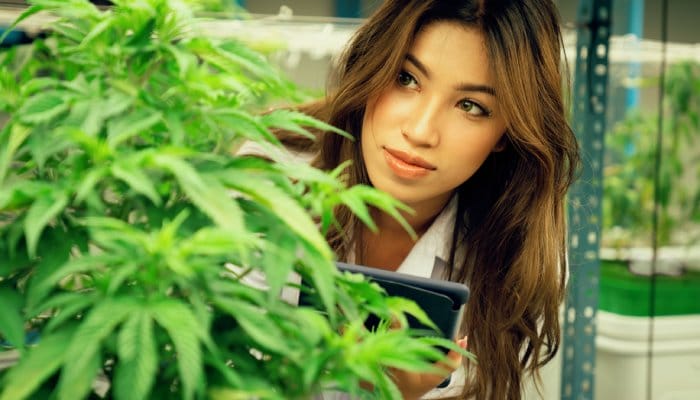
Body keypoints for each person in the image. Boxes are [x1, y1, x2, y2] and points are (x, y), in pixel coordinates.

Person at [243, 0, 579, 398]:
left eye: (471, 106)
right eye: (406, 78)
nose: (421, 131)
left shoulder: (518, 261)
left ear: (506, 134)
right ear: (373, 65)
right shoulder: (268, 177)